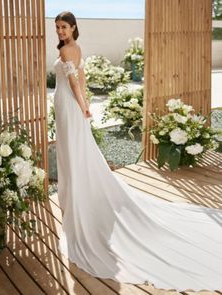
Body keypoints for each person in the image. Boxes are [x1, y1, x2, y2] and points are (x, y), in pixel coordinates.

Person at [53, 11, 222, 290]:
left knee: (75, 156)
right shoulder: (67, 49)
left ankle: (81, 201)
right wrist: (80, 101)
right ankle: (76, 200)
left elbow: (74, 81)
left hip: (70, 107)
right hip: (65, 107)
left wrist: (82, 105)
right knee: (72, 155)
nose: (60, 31)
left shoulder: (71, 49)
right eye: (57, 27)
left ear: (73, 28)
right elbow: (80, 76)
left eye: (64, 27)